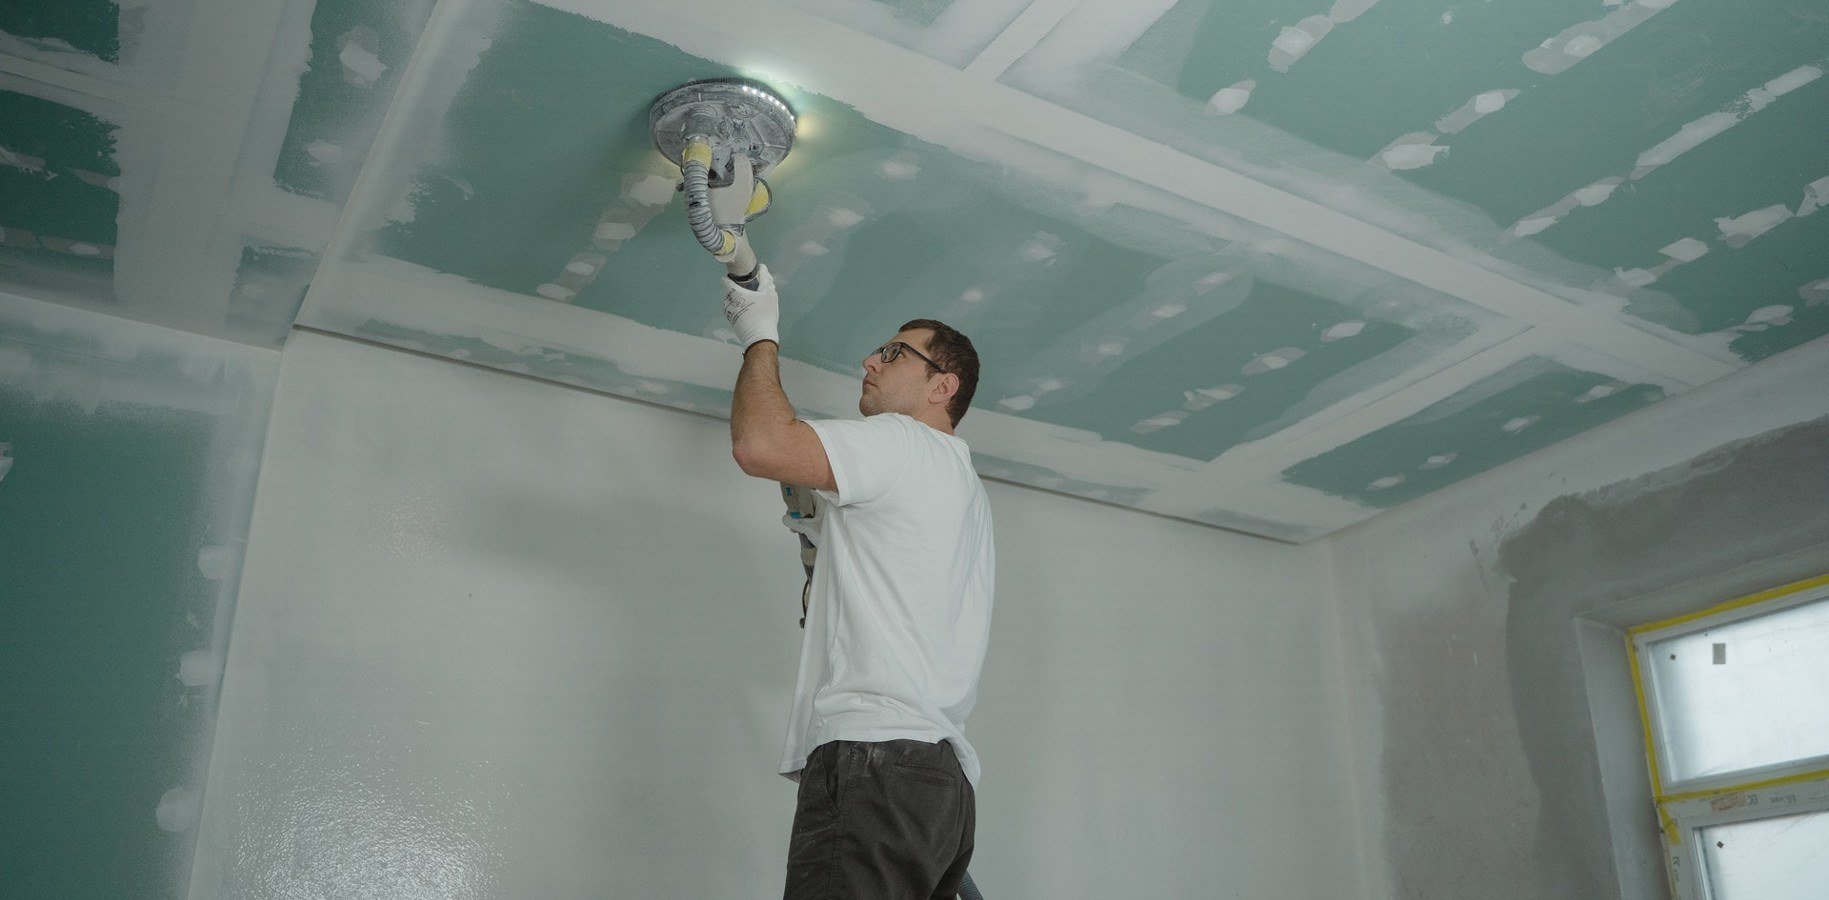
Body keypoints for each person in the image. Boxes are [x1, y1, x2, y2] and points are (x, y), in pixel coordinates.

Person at [722, 264, 995, 900]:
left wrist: (759, 332)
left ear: (941, 386)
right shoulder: (961, 487)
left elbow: (760, 445)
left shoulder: (900, 443)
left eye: (894, 353)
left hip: (878, 762)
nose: (869, 361)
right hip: (939, 783)